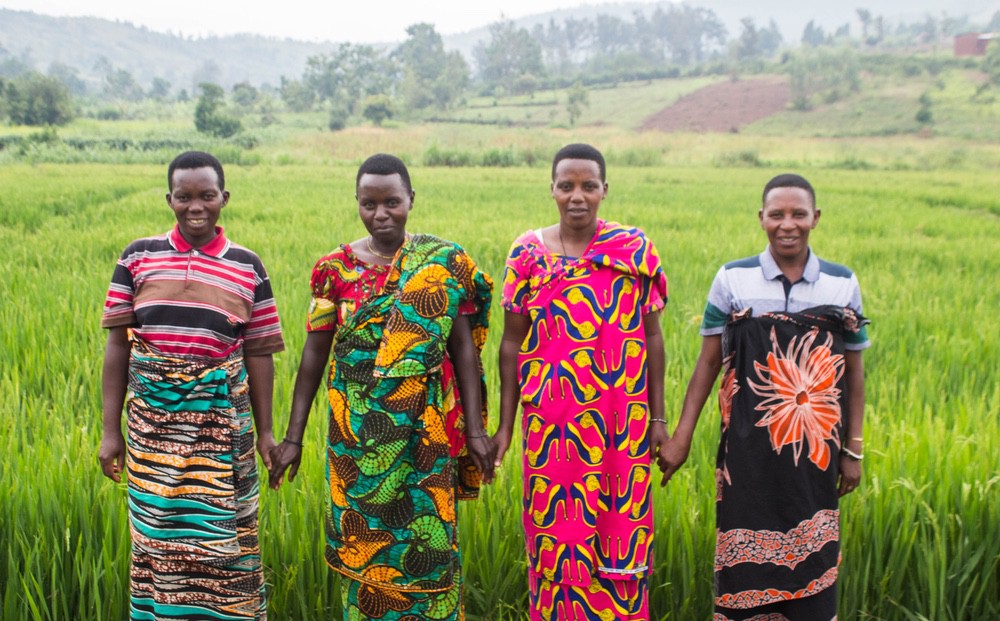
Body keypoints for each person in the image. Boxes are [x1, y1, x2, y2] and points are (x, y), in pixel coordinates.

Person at [268, 153, 494, 620]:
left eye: (392, 202)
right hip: (356, 439)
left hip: (423, 433)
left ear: (411, 199)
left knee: (428, 546)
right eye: (369, 204)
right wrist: (292, 437)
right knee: (364, 545)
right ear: (357, 202)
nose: (381, 214)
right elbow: (315, 352)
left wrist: (474, 430)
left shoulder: (441, 264)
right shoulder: (333, 269)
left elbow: (463, 352)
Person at [660, 173, 870, 620]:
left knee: (814, 563)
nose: (787, 224)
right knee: (743, 568)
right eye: (777, 214)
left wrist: (853, 449)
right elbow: (707, 363)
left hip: (815, 453)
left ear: (816, 217)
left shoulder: (842, 283)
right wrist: (680, 437)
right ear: (761, 219)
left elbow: (853, 372)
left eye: (798, 214)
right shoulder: (733, 278)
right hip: (745, 454)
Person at [98, 151, 284, 620]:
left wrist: (266, 433)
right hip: (151, 431)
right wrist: (109, 430)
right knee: (157, 533)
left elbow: (259, 354)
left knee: (230, 538)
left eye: (206, 196)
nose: (195, 206)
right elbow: (118, 347)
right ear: (170, 199)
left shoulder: (247, 266)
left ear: (224, 198)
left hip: (223, 429)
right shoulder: (137, 257)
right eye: (184, 197)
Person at [493, 143, 669, 620]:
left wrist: (659, 418)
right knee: (557, 539)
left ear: (604, 190)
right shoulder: (527, 252)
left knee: (622, 535)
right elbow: (511, 345)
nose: (577, 196)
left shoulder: (633, 252)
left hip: (621, 428)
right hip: (553, 432)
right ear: (551, 189)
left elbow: (653, 338)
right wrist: (505, 429)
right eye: (566, 185)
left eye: (588, 186)